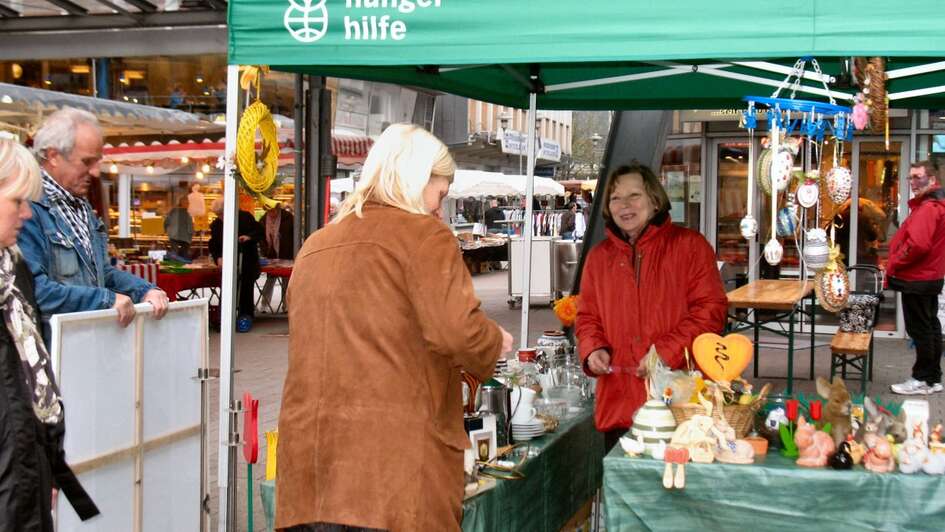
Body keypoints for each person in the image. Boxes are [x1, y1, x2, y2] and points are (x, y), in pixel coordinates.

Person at [276, 124, 512, 531]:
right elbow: (456, 331)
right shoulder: (423, 236)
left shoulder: (316, 245)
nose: (440, 208)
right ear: (417, 180)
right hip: (393, 479)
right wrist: (494, 342)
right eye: (440, 193)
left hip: (310, 477)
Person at [575, 163, 728, 451]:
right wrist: (593, 348)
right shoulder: (598, 258)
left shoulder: (690, 247)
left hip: (680, 408)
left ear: (655, 200)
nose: (624, 205)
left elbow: (711, 312)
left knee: (678, 490)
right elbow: (587, 316)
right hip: (619, 406)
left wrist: (665, 352)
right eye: (615, 198)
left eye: (634, 195)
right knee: (625, 492)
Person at [0, 136, 99, 530]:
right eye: (17, 201)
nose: (26, 214)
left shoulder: (14, 269)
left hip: (27, 469)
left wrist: (48, 464)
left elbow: (29, 383)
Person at [17, 108, 168, 347]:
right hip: (53, 352)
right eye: (87, 161)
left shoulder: (80, 205)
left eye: (97, 161)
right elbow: (36, 291)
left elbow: (101, 273)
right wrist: (106, 300)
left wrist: (144, 290)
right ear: (53, 155)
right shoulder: (27, 208)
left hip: (86, 347)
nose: (96, 171)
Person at [888, 160, 945, 395]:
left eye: (917, 177)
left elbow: (918, 245)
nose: (913, 182)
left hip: (917, 279)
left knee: (921, 329)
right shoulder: (934, 205)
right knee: (930, 327)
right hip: (927, 276)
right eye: (910, 177)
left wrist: (896, 261)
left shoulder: (928, 208)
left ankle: (922, 379)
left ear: (931, 180)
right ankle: (932, 378)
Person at [208, 198, 263, 330]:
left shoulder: (244, 217)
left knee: (245, 288)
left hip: (246, 259)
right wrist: (218, 258)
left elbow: (259, 231)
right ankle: (225, 317)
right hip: (228, 262)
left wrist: (248, 237)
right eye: (218, 215)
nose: (220, 217)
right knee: (227, 289)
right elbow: (213, 244)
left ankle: (245, 316)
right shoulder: (216, 224)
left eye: (221, 214)